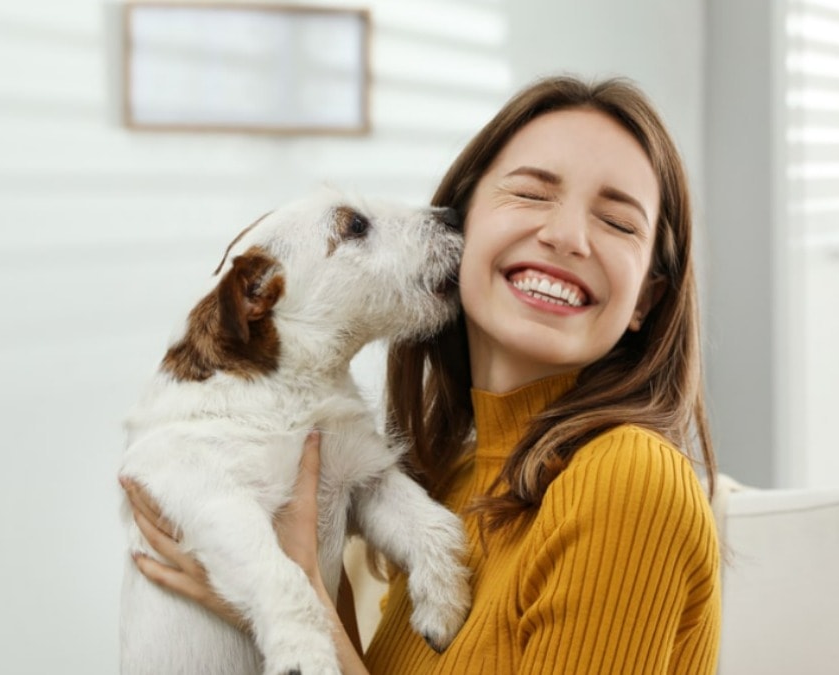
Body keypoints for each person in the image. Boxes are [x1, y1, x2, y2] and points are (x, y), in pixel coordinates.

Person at [123, 74, 721, 674]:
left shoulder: (628, 481)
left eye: (618, 222)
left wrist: (298, 591)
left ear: (646, 298)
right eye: (532, 194)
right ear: (462, 220)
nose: (565, 236)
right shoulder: (457, 478)